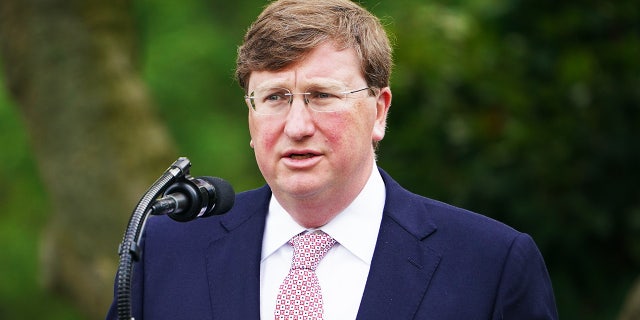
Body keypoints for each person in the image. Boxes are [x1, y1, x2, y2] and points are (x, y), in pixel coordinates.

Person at [107, 0, 558, 319]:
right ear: (250, 114)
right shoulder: (165, 251)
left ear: (379, 111)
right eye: (275, 97)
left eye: (322, 96)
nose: (297, 125)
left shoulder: (490, 264)